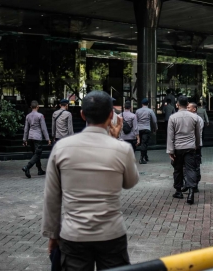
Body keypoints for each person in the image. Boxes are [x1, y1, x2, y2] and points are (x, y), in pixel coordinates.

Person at [42, 90, 139, 271]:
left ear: (82, 114)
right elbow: (130, 182)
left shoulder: (61, 147)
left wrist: (52, 234)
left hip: (74, 235)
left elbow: (51, 197)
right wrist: (115, 138)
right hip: (112, 233)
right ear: (112, 115)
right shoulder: (122, 149)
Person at [166, 96, 201, 204]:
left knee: (178, 169)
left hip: (178, 147)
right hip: (190, 147)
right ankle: (191, 191)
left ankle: (178, 191)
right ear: (187, 104)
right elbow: (197, 134)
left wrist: (170, 151)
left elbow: (170, 136)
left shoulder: (173, 117)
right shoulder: (194, 117)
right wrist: (197, 145)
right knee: (190, 169)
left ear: (177, 104)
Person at [22, 100, 51, 179]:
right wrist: (47, 138)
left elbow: (26, 129)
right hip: (37, 137)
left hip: (30, 137)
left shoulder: (28, 116)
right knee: (37, 154)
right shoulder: (40, 116)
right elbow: (44, 128)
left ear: (31, 107)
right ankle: (27, 167)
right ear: (37, 106)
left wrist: (24, 139)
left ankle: (39, 169)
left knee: (35, 154)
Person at [135, 98, 158, 164]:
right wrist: (155, 128)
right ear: (148, 104)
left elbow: (135, 120)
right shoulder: (150, 111)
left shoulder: (137, 111)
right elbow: (154, 120)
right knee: (144, 143)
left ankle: (145, 156)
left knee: (143, 144)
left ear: (142, 104)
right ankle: (141, 158)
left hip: (139, 129)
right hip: (146, 128)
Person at [187, 102, 203, 192]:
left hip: (196, 145)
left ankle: (194, 184)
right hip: (192, 144)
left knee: (195, 165)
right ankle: (192, 184)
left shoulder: (198, 119)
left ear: (194, 109)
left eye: (189, 107)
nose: (187, 109)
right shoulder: (191, 118)